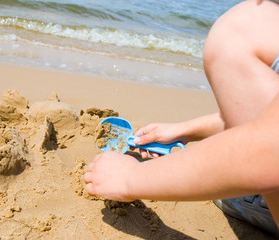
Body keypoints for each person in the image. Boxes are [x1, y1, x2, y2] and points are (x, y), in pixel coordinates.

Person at [83, 0, 279, 235]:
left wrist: (130, 177)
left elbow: (266, 151)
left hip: (264, 176)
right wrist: (186, 130)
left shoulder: (251, 19)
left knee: (241, 31)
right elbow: (268, 118)